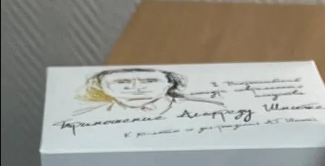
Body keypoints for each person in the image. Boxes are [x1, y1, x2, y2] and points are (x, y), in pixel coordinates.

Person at [73, 67, 222, 116]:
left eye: (150, 81)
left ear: (170, 83)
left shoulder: (211, 110)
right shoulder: (87, 118)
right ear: (100, 85)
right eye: (121, 82)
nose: (136, 88)